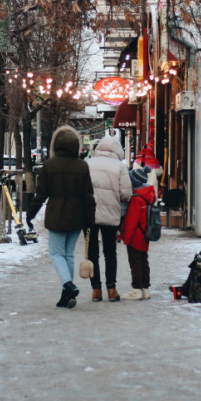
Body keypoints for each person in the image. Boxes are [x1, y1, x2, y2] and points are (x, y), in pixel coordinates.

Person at [26, 126, 96, 309]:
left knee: (56, 253)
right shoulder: (82, 166)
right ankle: (67, 296)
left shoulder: (50, 165)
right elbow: (89, 196)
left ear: (56, 145)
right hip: (77, 215)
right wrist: (90, 220)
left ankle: (68, 285)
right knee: (68, 254)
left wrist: (30, 214)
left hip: (57, 213)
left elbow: (41, 195)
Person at [85, 136, 132, 302]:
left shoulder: (88, 163)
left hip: (89, 215)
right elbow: (126, 193)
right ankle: (111, 289)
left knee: (91, 252)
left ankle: (96, 290)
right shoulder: (120, 167)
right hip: (111, 215)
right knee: (110, 252)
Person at [119, 167, 155, 300]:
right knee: (143, 261)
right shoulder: (147, 196)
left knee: (135, 263)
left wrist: (125, 238)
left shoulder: (136, 199)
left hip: (135, 237)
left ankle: (136, 289)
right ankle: (145, 289)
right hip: (145, 235)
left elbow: (131, 222)